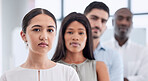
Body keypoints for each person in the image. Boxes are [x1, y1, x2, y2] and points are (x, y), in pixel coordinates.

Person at [0, 8, 80, 81]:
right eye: (37, 29)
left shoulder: (68, 74)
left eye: (50, 30)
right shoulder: (8, 77)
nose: (44, 37)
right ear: (23, 36)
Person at [52, 12, 110, 81]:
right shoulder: (52, 66)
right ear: (63, 36)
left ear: (87, 37)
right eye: (70, 32)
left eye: (81, 33)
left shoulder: (99, 67)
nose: (75, 37)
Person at [103, 8, 148, 81]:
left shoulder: (143, 52)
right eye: (120, 18)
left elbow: (145, 77)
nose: (124, 23)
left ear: (132, 24)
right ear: (112, 22)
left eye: (128, 19)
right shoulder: (102, 49)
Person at [84, 1, 123, 81]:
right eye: (94, 18)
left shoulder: (113, 56)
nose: (98, 24)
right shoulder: (70, 53)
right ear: (83, 19)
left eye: (103, 21)